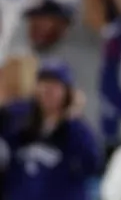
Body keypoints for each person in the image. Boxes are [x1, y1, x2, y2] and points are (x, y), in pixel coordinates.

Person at [0, 60, 102, 200]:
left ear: (67, 92)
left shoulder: (77, 129)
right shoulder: (19, 119)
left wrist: (71, 119)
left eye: (54, 85)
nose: (47, 91)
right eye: (43, 84)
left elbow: (91, 164)